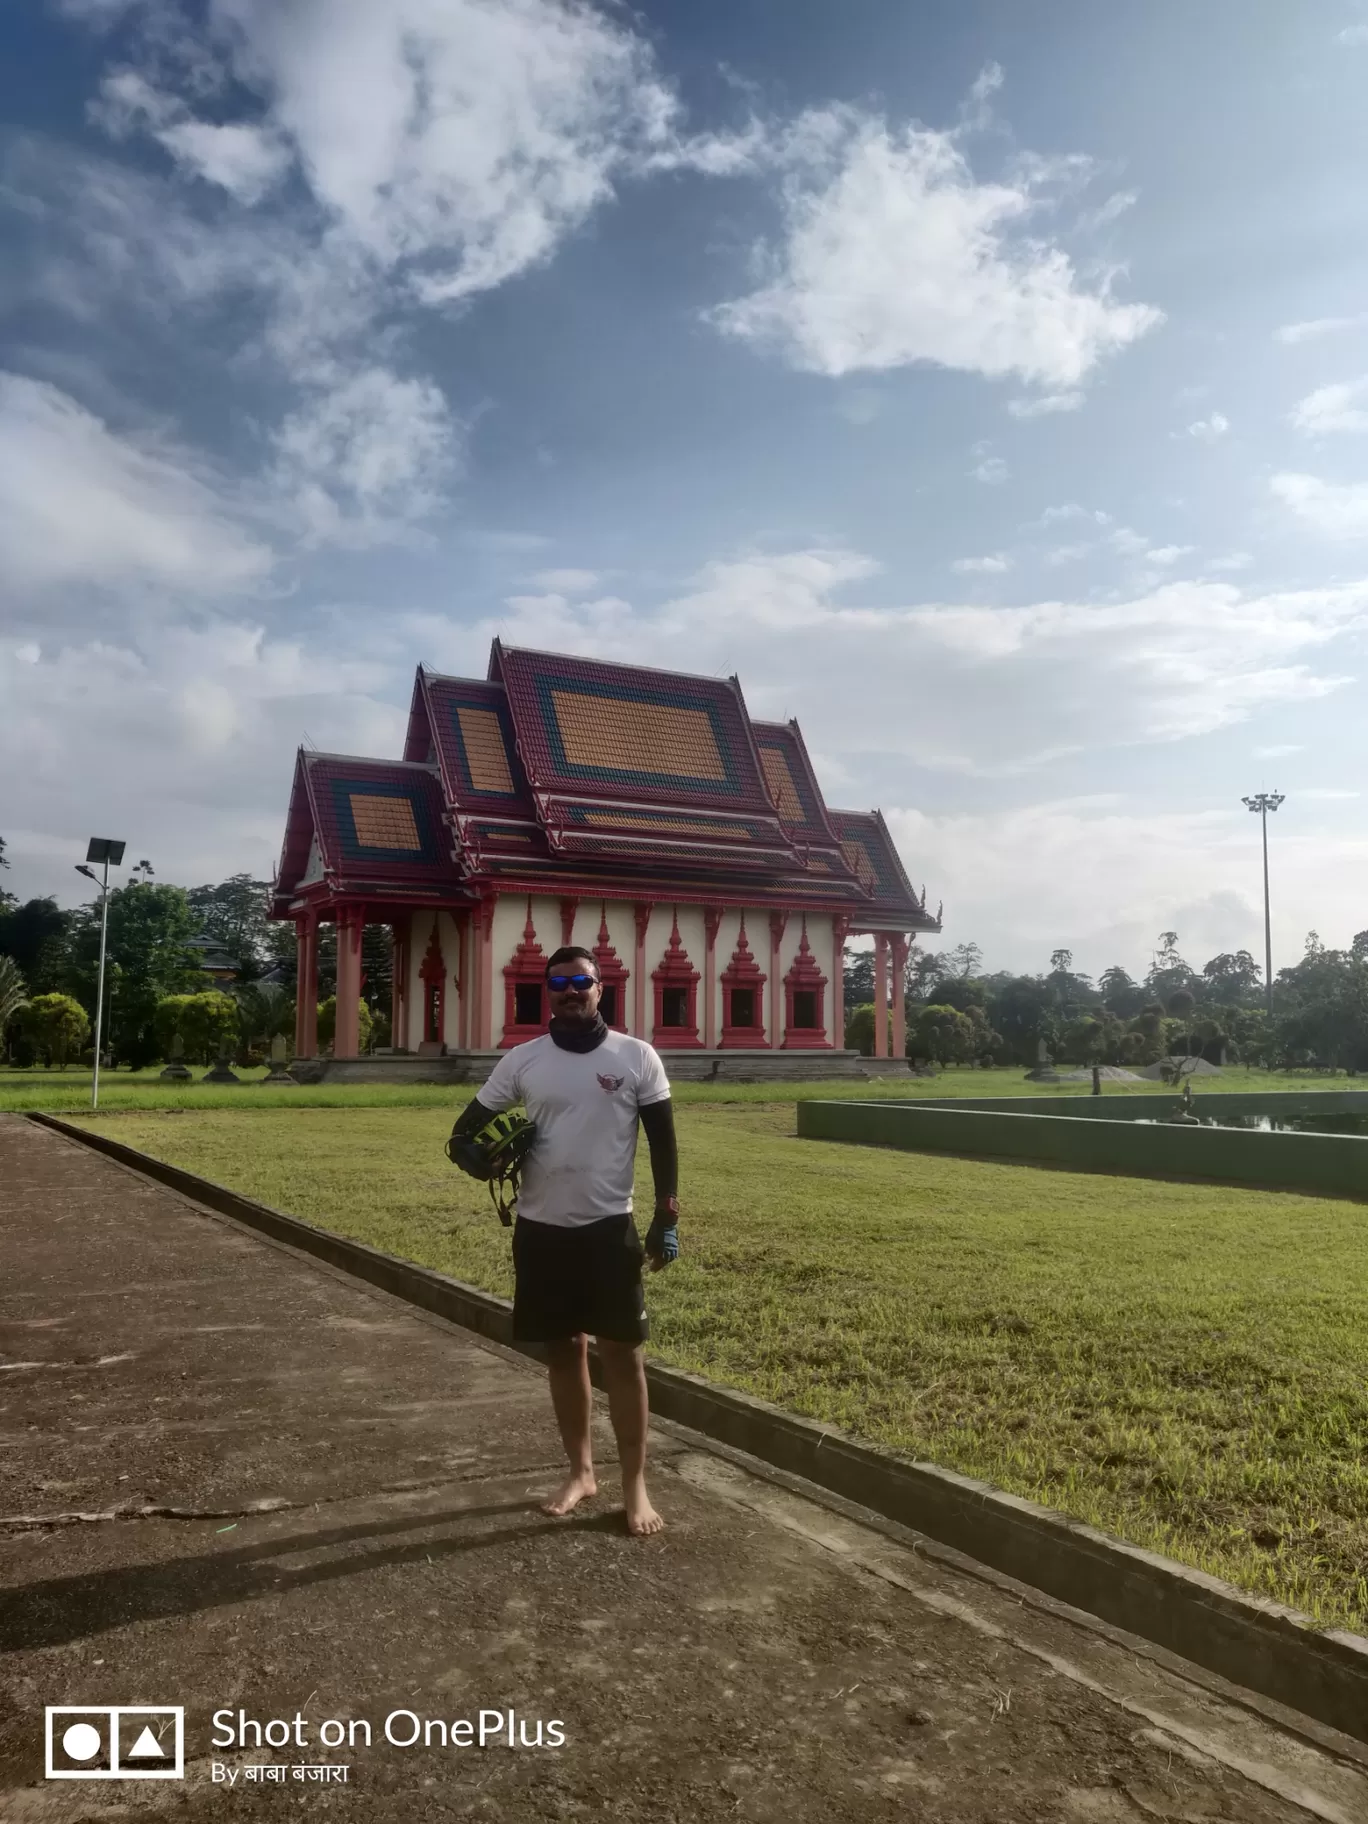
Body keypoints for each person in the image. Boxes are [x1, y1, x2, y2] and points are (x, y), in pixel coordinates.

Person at [447, 944, 679, 1536]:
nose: (571, 991)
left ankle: (634, 1484)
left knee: (623, 1355)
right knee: (562, 1349)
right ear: (547, 993)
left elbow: (663, 1144)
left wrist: (666, 1216)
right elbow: (463, 1133)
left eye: (582, 981)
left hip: (609, 1228)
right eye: (559, 983)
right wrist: (479, 1157)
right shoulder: (524, 1061)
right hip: (540, 1227)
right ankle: (581, 1472)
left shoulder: (636, 1057)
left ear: (602, 988)